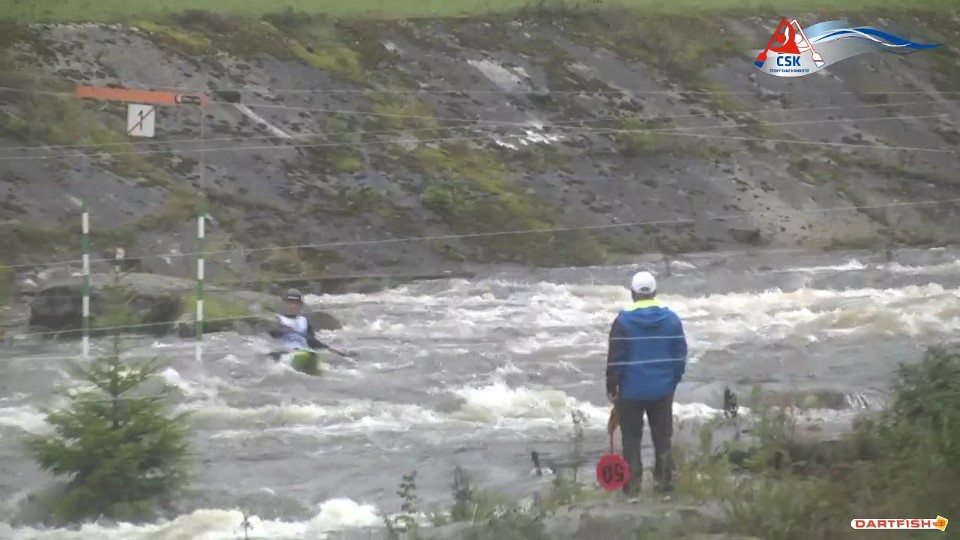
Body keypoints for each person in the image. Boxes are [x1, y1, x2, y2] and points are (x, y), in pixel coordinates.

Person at [605, 270, 688, 497]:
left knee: (631, 440)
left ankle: (632, 489)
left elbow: (615, 360)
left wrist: (612, 389)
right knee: (663, 438)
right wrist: (673, 380)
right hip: (662, 389)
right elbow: (680, 355)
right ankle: (665, 486)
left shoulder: (622, 321)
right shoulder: (672, 319)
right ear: (655, 292)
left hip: (630, 391)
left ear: (632, 293)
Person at [268, 288, 329, 354]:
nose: (293, 306)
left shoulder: (304, 321)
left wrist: (324, 346)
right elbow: (271, 332)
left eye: (296, 303)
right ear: (284, 303)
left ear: (301, 305)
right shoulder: (276, 319)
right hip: (282, 352)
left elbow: (311, 340)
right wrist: (283, 329)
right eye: (290, 303)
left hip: (301, 352)